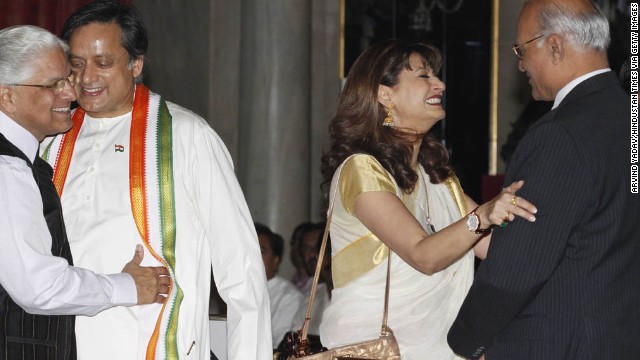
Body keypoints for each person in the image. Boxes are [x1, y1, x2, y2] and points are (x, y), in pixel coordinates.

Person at [42, 1, 271, 359]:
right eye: (77, 64)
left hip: (150, 344)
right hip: (57, 344)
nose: (87, 78)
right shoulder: (50, 140)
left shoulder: (186, 135)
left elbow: (240, 269)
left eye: (103, 63)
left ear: (136, 65)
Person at [318, 39, 537, 359]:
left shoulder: (437, 177)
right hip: (377, 350)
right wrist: (484, 215)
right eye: (424, 76)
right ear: (385, 94)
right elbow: (424, 255)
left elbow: (496, 249)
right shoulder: (361, 169)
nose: (440, 84)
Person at [448, 0, 640, 358]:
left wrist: (464, 341)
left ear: (554, 45)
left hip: (558, 344)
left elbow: (518, 266)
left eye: (522, 50)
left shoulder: (561, 134)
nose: (520, 65)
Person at [0, 24, 169, 359]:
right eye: (53, 85)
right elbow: (40, 287)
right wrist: (128, 287)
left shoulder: (25, 159)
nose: (71, 93)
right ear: (7, 95)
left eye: (67, 78)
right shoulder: (8, 169)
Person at [255, 223, 303, 349]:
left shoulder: (289, 297)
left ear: (276, 260)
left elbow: (278, 347)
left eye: (261, 250)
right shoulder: (235, 290)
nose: (253, 255)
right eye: (249, 248)